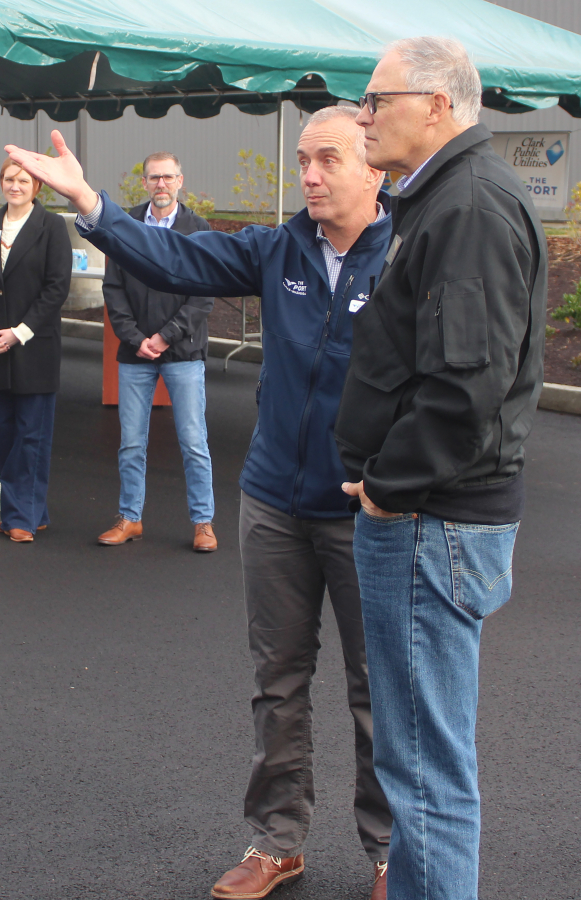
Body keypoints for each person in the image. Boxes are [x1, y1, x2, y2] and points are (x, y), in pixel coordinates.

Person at [5, 105, 394, 899]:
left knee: (375, 687)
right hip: (275, 505)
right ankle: (276, 842)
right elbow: (175, 257)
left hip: (368, 510)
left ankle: (393, 854)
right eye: (303, 160)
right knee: (278, 679)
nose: (309, 175)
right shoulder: (279, 247)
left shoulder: (409, 255)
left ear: (375, 168)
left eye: (326, 160)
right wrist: (93, 207)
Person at [333, 38, 547, 900]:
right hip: (433, 517)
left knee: (422, 772)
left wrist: (386, 489)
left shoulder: (465, 208)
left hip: (429, 520)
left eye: (377, 100)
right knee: (417, 760)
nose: (362, 115)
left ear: (437, 105)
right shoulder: (447, 200)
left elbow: (465, 390)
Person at [98, 151, 216, 552]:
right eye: (153, 178)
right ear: (144, 182)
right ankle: (130, 518)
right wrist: (136, 338)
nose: (161, 184)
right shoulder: (126, 225)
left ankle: (203, 523)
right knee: (131, 442)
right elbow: (113, 289)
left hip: (183, 353)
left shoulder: (198, 229)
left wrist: (165, 336)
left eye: (168, 177)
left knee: (193, 441)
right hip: (135, 354)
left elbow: (204, 297)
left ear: (180, 180)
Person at [0, 158, 71, 542]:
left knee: (31, 436)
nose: (15, 185)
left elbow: (57, 288)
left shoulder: (52, 226)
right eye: (9, 179)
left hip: (33, 346)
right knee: (5, 434)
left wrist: (18, 332)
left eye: (23, 180)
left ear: (37, 186)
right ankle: (31, 510)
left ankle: (20, 519)